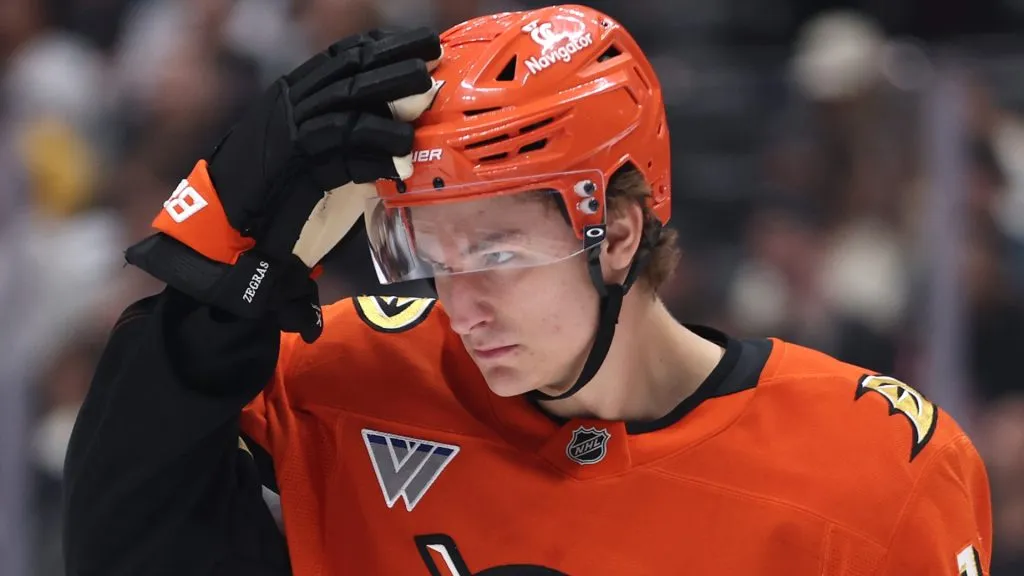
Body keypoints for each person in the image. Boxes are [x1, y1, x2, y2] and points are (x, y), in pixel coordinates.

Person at [63, 5, 992, 575]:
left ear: (618, 233)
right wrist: (222, 261)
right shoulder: (351, 375)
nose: (460, 306)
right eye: (433, 253)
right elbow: (125, 540)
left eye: (499, 255)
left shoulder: (872, 465)